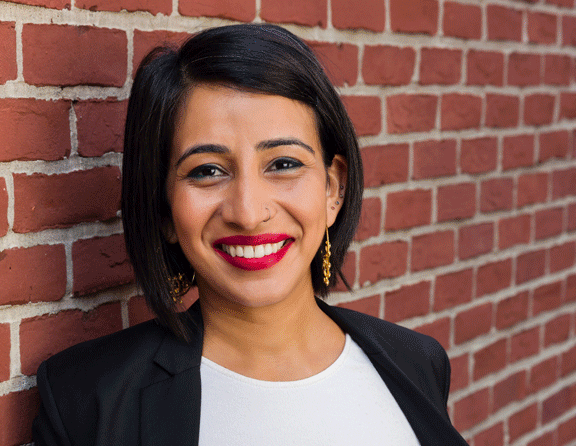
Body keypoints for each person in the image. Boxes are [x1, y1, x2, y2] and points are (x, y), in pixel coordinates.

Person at [32, 24, 468, 445]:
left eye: (283, 164)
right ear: (164, 210)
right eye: (207, 171)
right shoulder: (88, 399)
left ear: (333, 189)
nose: (248, 213)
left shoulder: (417, 362)